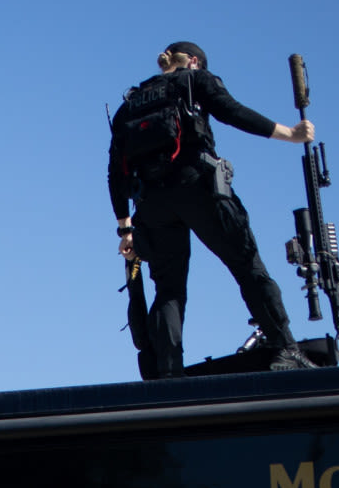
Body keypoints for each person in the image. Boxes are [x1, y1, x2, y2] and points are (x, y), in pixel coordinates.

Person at [109, 41, 314, 376]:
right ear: (193, 61)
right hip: (199, 187)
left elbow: (115, 171)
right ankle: (285, 348)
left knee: (169, 290)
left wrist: (125, 228)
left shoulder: (129, 105)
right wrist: (289, 134)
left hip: (152, 204)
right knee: (247, 266)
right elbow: (231, 111)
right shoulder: (195, 80)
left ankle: (168, 375)